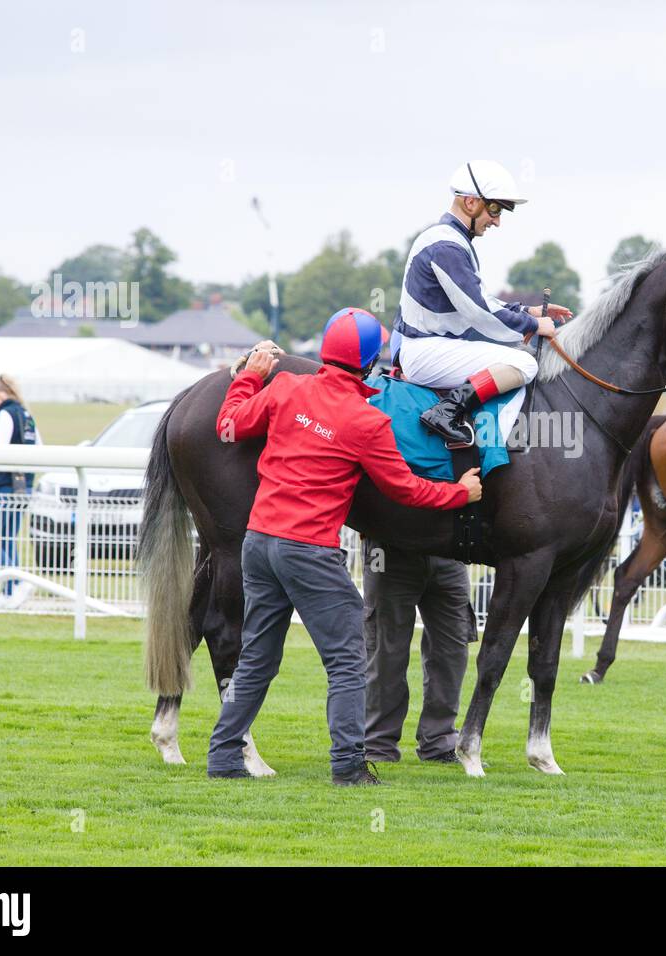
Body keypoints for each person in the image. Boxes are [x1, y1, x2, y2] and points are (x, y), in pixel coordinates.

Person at [206, 309, 482, 786]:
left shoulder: (286, 389)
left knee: (257, 658)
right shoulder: (366, 421)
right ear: (371, 361)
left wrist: (249, 377)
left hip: (259, 543)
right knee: (348, 658)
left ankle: (224, 756)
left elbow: (228, 427)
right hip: (309, 551)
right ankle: (349, 767)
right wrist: (461, 493)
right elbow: (407, 491)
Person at [394, 160, 572, 447]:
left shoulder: (451, 240)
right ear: (470, 202)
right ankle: (447, 411)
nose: (497, 221)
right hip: (427, 351)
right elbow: (480, 311)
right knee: (525, 364)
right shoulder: (446, 246)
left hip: (432, 346)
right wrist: (534, 325)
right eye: (494, 210)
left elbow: (481, 300)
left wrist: (526, 312)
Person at [361, 538, 475, 764]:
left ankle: (440, 742)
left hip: (449, 551)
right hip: (389, 549)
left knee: (451, 654)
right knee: (385, 654)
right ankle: (377, 744)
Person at [0, 375, 41, 607]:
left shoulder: (6, 413)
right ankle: (10, 594)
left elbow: (1, 450)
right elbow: (40, 448)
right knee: (8, 539)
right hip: (25, 486)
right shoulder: (28, 415)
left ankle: (17, 582)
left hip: (5, 486)